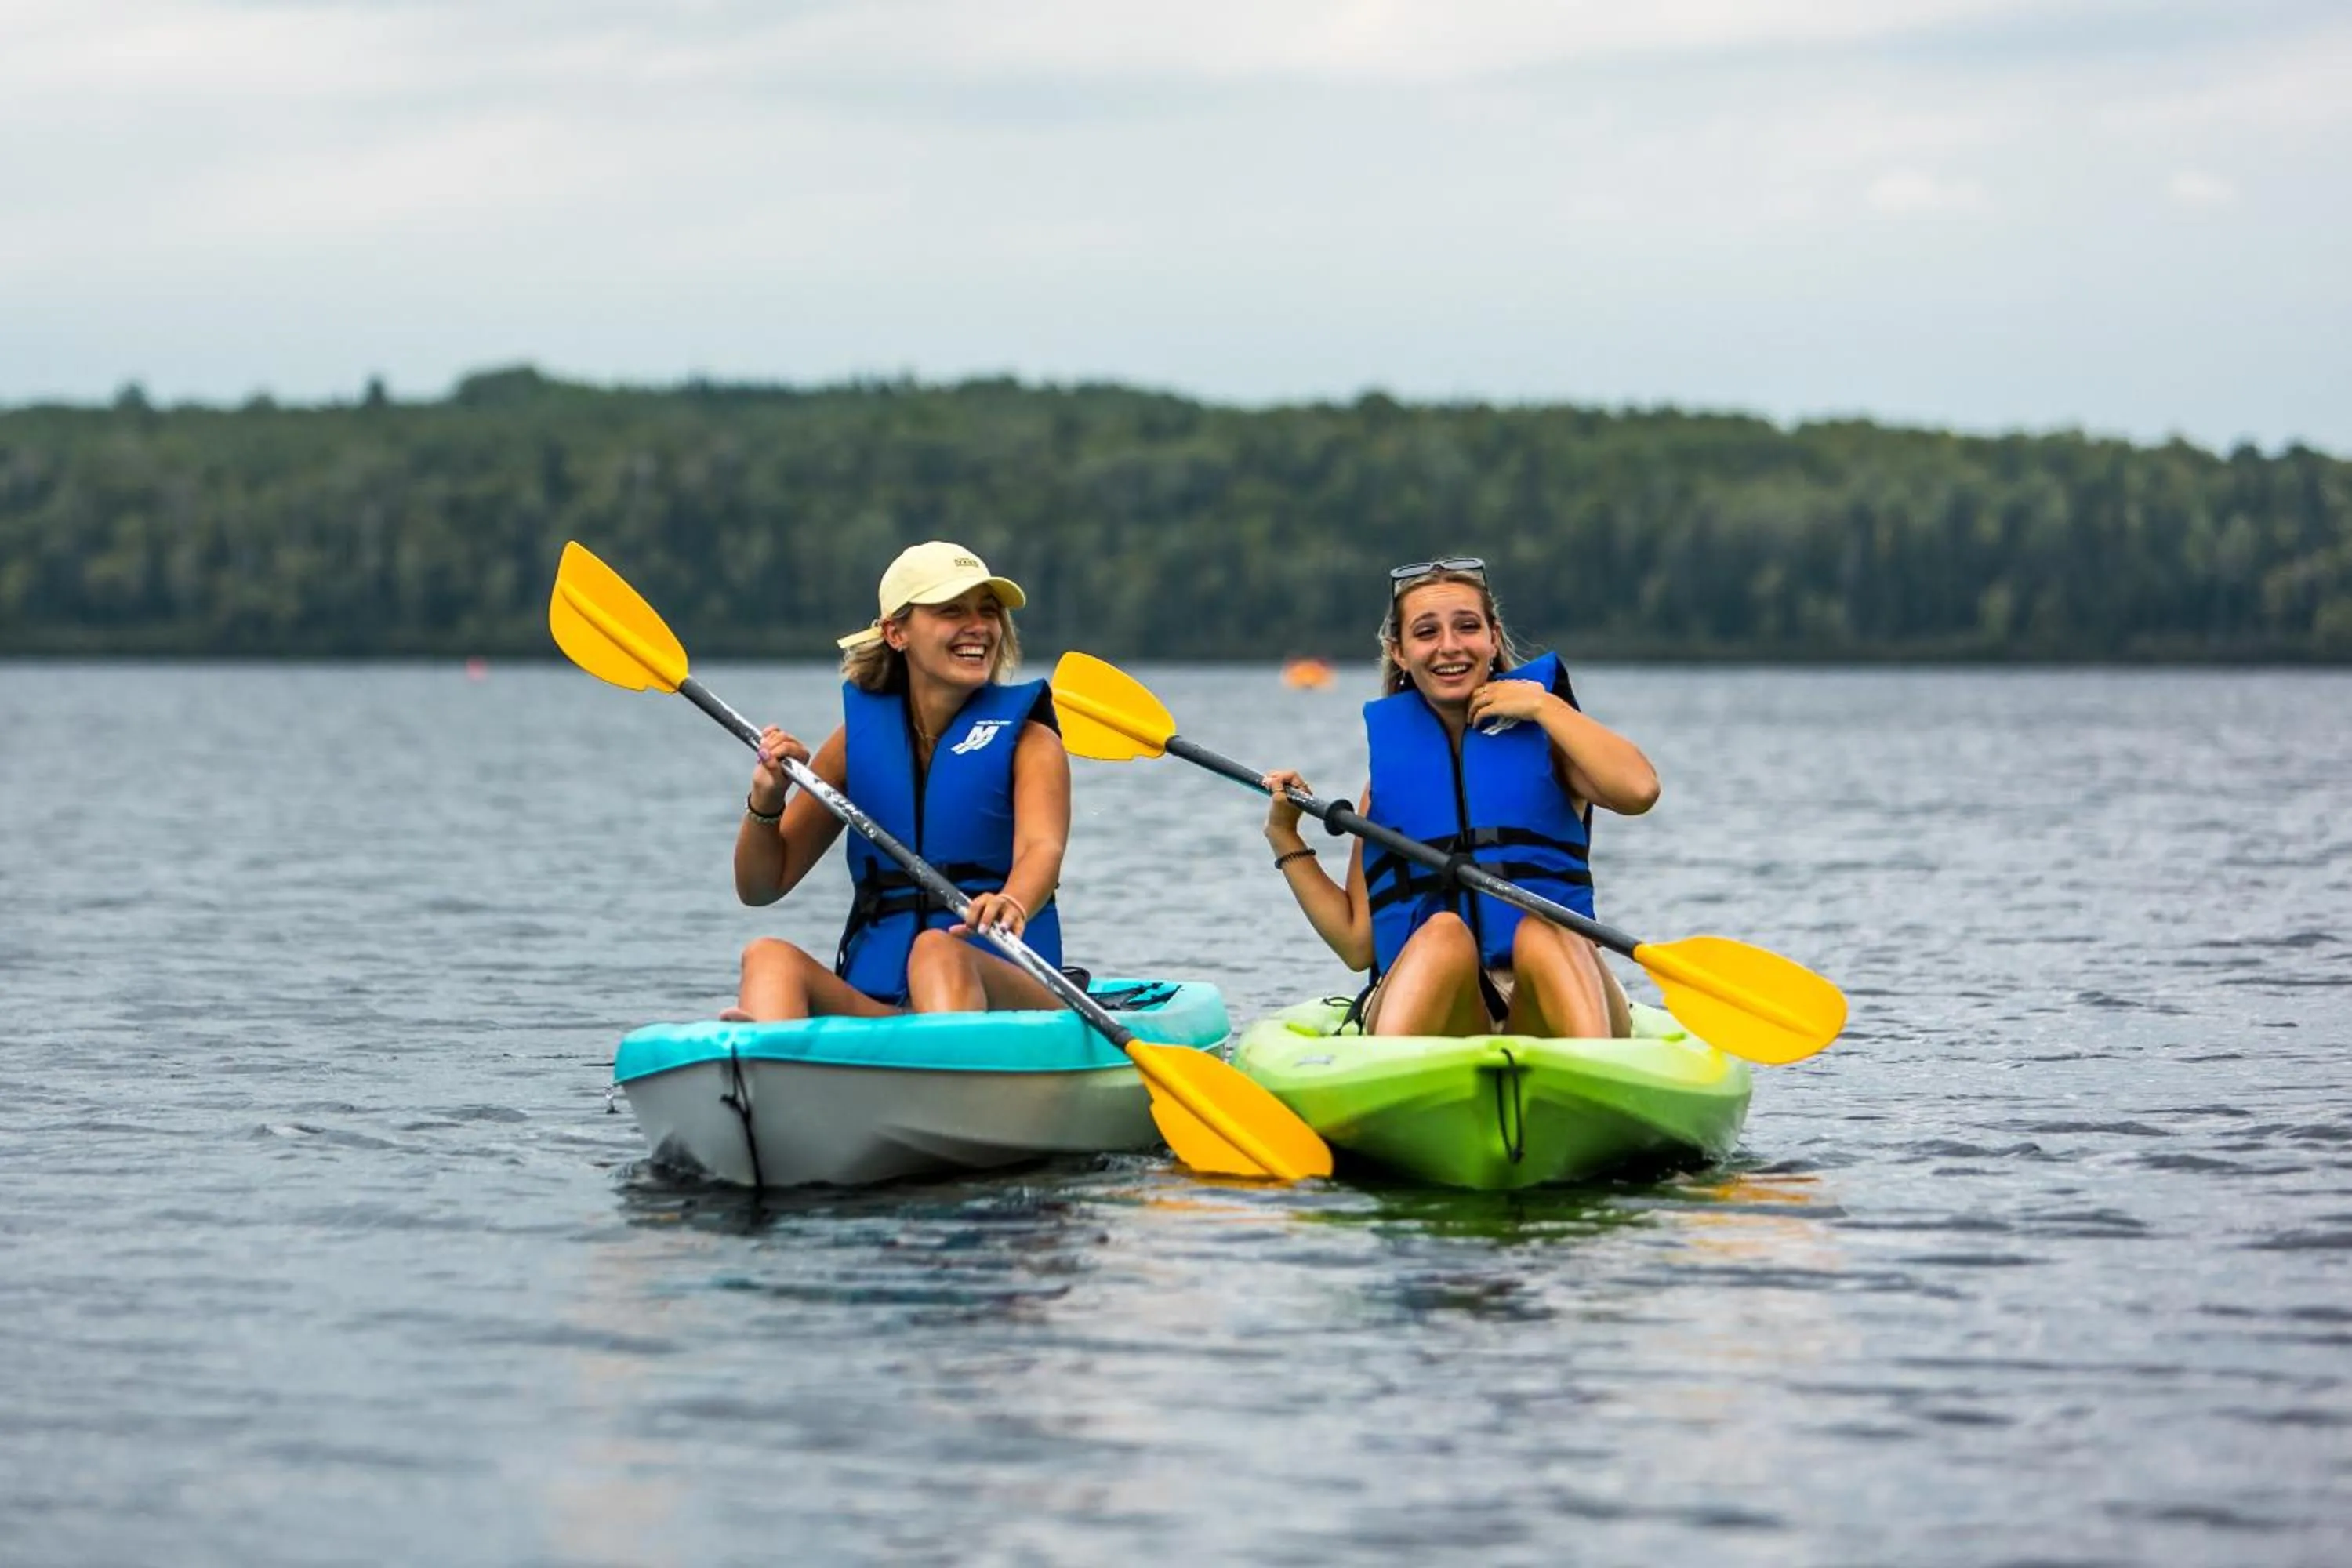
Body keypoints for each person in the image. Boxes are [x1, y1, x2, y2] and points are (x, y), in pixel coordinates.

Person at [1259, 557, 1657, 1040]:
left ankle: (1599, 1079)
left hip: (1553, 993)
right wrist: (1284, 835)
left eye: (1467, 627)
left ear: (1493, 637)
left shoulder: (1552, 746)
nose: (1449, 646)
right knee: (1444, 933)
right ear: (1400, 652)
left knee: (1544, 927)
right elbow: (1356, 944)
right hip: (1440, 1006)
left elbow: (1639, 791)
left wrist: (1542, 704)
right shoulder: (1386, 785)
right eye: (1426, 633)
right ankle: (1389, 1079)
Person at [720, 541, 1070, 1022]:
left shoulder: (1030, 741)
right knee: (768, 956)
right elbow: (761, 886)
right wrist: (766, 800)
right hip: (889, 1008)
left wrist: (1012, 900)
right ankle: (761, 1066)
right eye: (952, 611)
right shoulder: (855, 745)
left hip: (1012, 1001)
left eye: (988, 612)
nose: (979, 626)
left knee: (937, 950)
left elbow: (1041, 850)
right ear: (895, 632)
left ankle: (947, 1076)